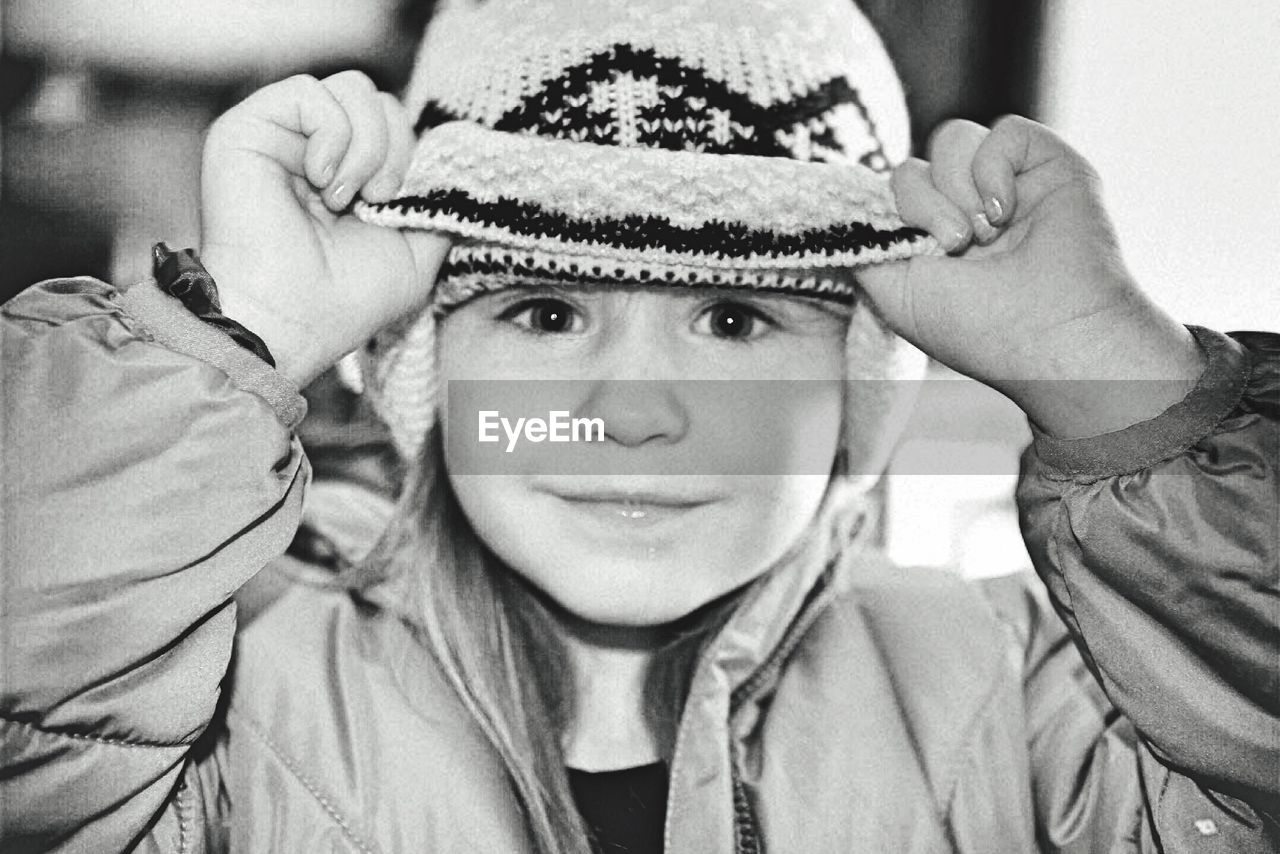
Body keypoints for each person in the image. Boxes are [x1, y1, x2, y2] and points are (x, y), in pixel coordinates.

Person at [2, 1, 1276, 852]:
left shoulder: (1035, 708)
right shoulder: (218, 704)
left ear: (852, 379)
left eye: (733, 317)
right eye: (544, 310)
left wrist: (1109, 370)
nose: (629, 415)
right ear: (426, 366)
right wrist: (260, 320)